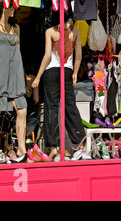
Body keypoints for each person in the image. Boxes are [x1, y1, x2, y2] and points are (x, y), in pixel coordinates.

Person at [32, 10, 86, 160]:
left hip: (52, 72)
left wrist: (38, 76)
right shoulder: (74, 31)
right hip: (66, 72)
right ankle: (79, 144)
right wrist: (75, 72)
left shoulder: (51, 31)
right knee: (69, 106)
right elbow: (78, 56)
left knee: (52, 108)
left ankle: (54, 147)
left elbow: (48, 55)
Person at [0, 0, 27, 162]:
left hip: (15, 73)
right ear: (2, 8)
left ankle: (22, 149)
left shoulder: (16, 28)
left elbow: (19, 53)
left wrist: (23, 75)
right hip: (0, 72)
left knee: (22, 109)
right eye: (10, 7)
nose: (13, 10)